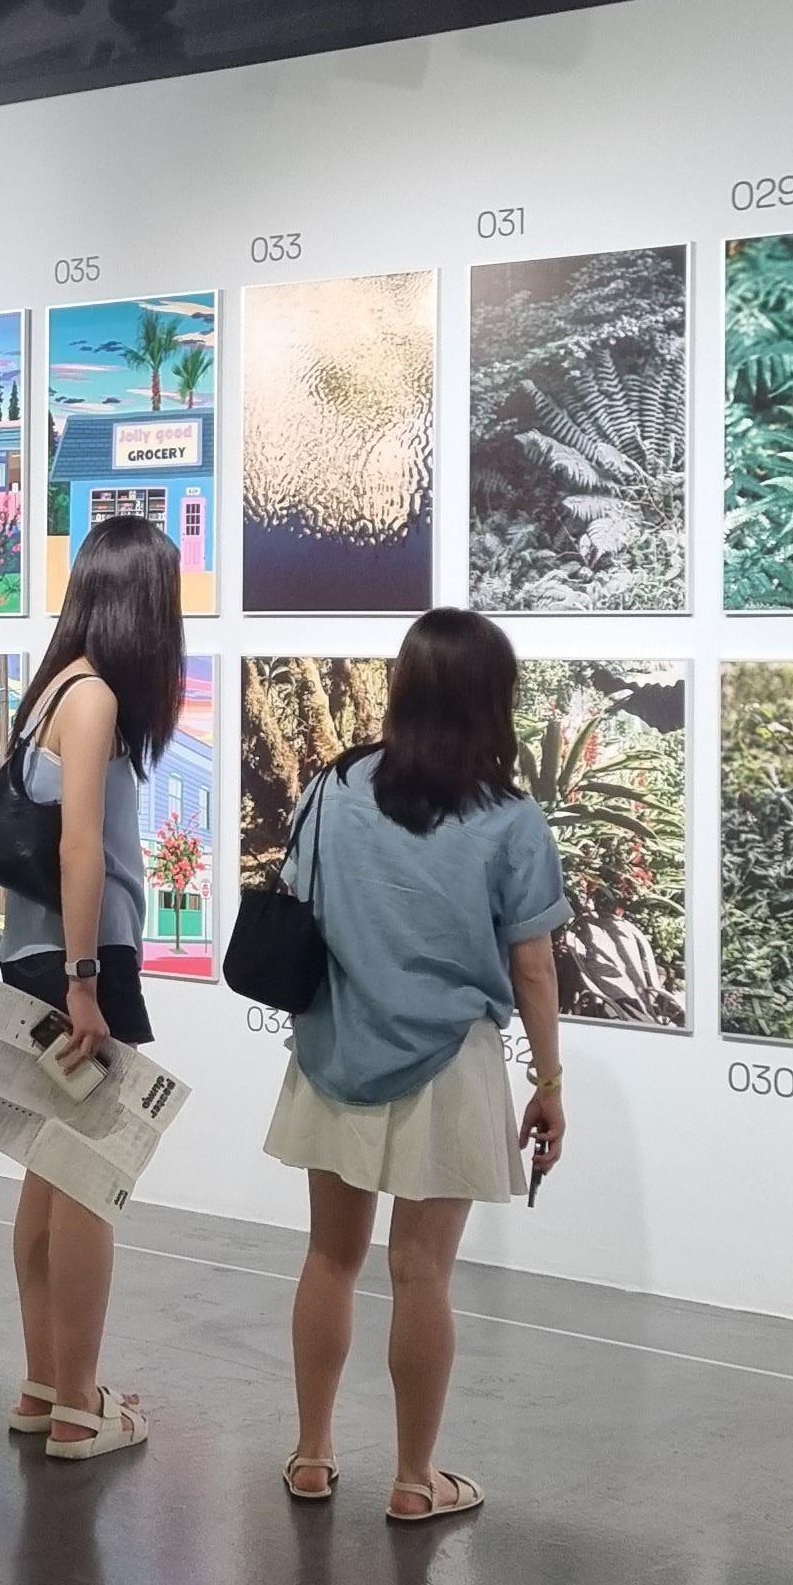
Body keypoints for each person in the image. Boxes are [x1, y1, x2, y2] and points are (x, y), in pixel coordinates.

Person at [263, 611, 569, 1525]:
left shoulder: (335, 787)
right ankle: (412, 1479)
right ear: (493, 701)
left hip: (335, 1046)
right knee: (422, 1272)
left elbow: (299, 898)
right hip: (448, 1065)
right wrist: (549, 1085)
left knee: (329, 1256)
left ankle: (312, 1456)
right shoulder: (511, 821)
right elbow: (534, 967)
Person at [0, 513, 184, 1465]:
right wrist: (84, 982)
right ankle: (78, 1407)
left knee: (47, 1175)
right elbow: (79, 848)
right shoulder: (98, 697)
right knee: (88, 1187)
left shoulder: (50, 690)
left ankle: (46, 1386)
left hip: (33, 953)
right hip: (84, 962)